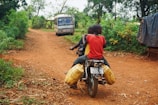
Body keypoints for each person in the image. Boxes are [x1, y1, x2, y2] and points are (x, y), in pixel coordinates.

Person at [70, 24, 110, 89]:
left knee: (76, 63)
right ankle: (104, 77)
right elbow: (105, 46)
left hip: (89, 56)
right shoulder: (102, 37)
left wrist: (78, 48)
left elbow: (82, 44)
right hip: (100, 57)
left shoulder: (87, 36)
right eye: (101, 29)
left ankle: (73, 80)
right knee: (107, 65)